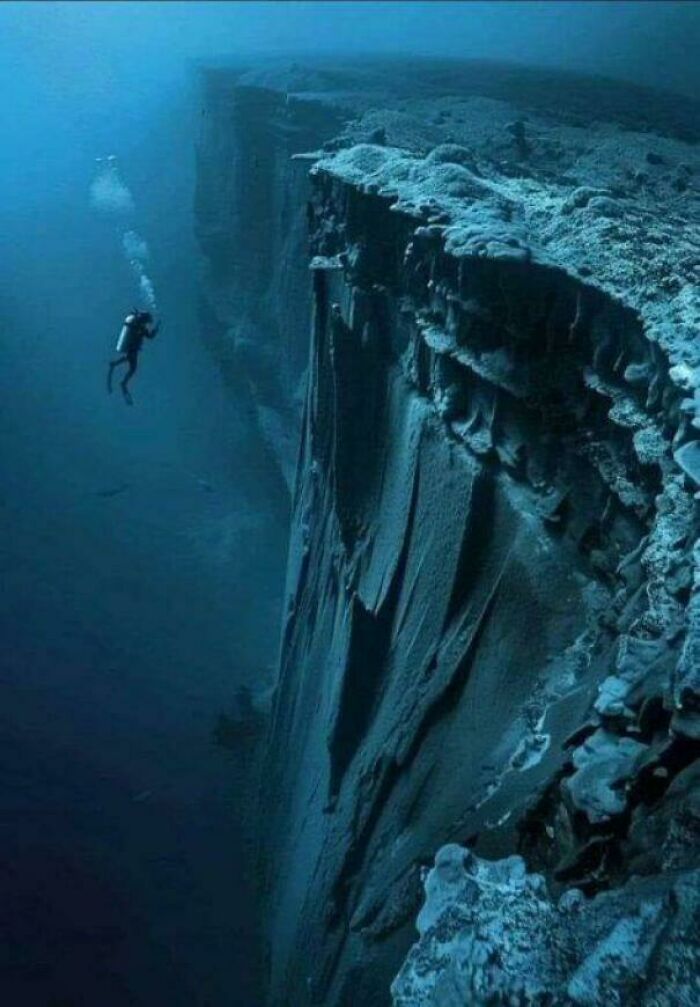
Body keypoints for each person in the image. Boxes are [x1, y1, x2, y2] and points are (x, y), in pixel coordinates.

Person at [107, 310, 159, 404]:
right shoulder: (141, 327)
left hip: (131, 348)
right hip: (133, 349)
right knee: (133, 368)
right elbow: (150, 336)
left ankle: (115, 364)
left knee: (128, 359)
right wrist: (156, 329)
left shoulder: (137, 325)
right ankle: (123, 383)